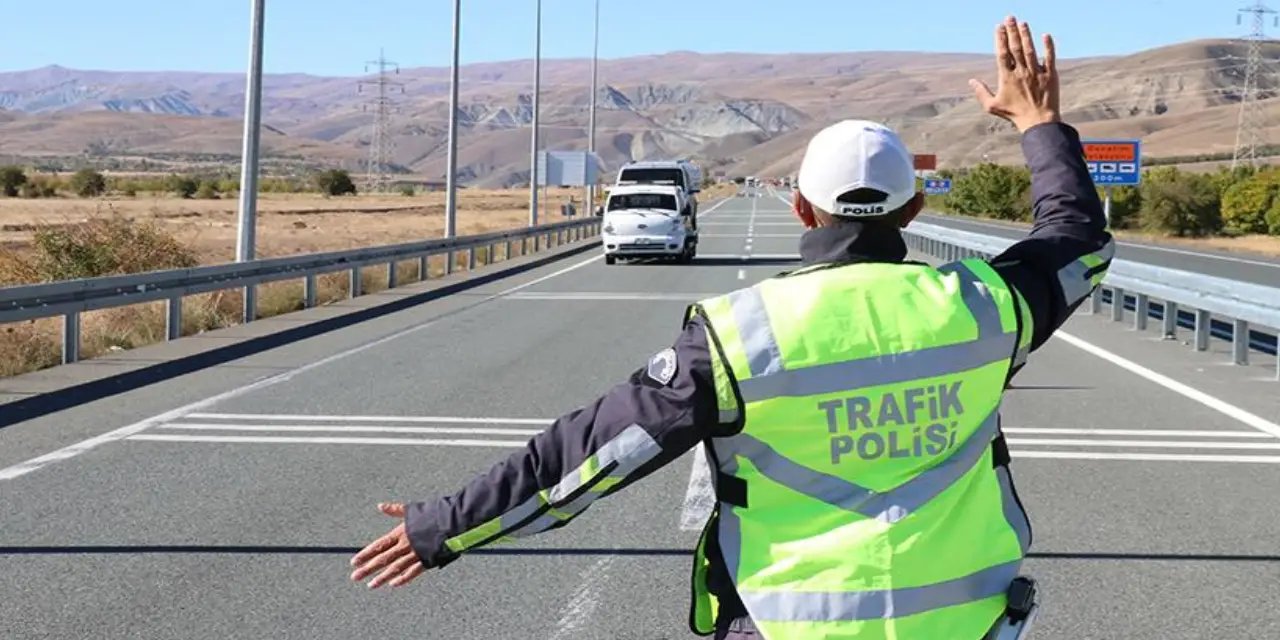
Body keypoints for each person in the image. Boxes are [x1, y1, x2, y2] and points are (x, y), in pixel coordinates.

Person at [350, 16, 1114, 640]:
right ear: (912, 212)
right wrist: (1040, 123)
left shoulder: (740, 336)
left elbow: (584, 458)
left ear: (801, 210)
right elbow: (1078, 237)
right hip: (968, 625)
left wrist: (444, 528)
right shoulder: (985, 305)